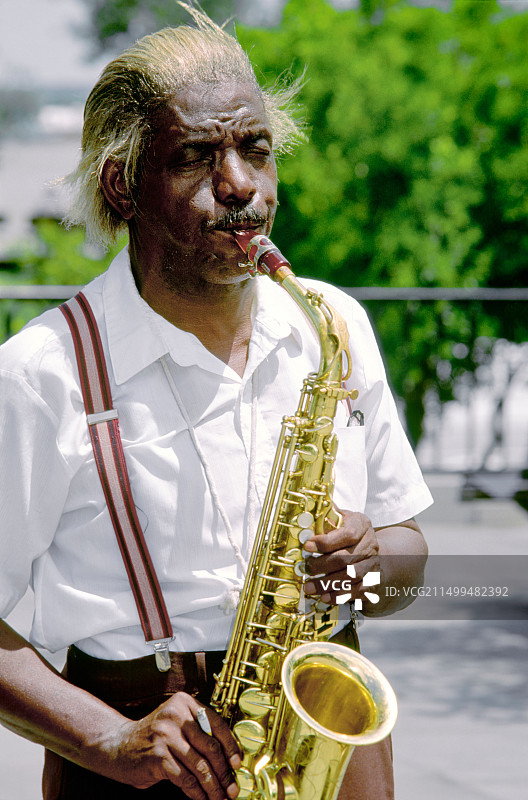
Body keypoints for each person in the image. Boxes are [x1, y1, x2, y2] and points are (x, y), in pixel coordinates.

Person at [0, 6, 432, 800]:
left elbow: (407, 561)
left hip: (326, 737)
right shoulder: (41, 373)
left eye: (256, 150)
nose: (239, 185)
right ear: (121, 184)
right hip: (138, 760)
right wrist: (108, 738)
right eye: (197, 156)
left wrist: (373, 566)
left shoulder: (331, 324)